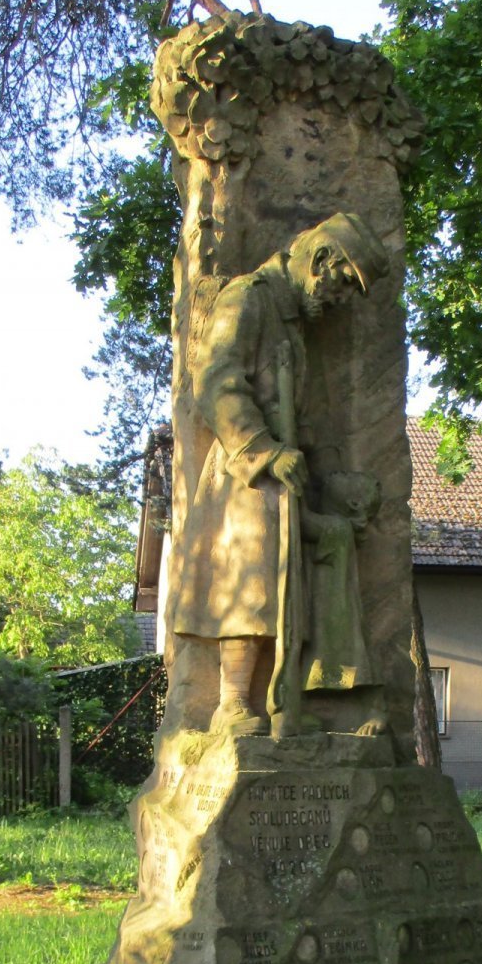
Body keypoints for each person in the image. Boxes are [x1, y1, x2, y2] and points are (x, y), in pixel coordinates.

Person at [171, 212, 389, 735]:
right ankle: (230, 704)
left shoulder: (290, 321)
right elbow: (217, 380)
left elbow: (301, 415)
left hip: (283, 478)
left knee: (296, 578)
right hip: (244, 475)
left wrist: (331, 485)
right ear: (319, 261)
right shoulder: (248, 298)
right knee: (249, 586)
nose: (338, 300)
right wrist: (265, 451)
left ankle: (293, 697)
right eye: (341, 285)